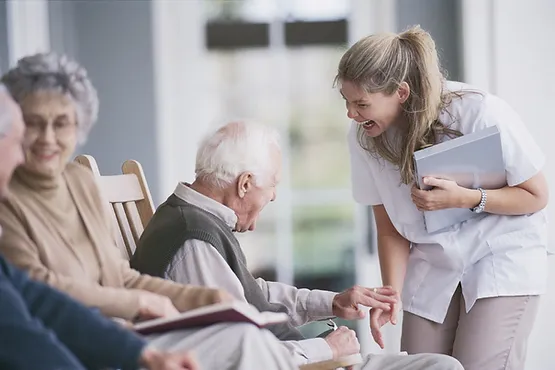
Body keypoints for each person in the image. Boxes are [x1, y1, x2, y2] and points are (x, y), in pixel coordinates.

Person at [0, 54, 298, 370]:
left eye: (61, 124)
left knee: (249, 336)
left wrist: (205, 298)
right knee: (246, 341)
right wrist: (137, 303)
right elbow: (37, 288)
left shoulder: (78, 181)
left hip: (127, 335)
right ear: (16, 128)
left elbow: (119, 275)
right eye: (34, 124)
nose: (48, 138)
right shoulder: (7, 198)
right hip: (82, 343)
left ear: (78, 127)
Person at [131, 121, 464, 370]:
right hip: (304, 364)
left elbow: (252, 296)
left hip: (303, 358)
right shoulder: (194, 239)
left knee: (444, 366)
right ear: (245, 184)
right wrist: (326, 349)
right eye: (272, 185)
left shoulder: (196, 220)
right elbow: (244, 350)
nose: (274, 195)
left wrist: (332, 302)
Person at [336, 25, 549, 370]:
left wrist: (466, 198)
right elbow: (389, 229)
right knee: (421, 365)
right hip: (433, 262)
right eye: (346, 102)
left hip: (500, 255)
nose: (351, 114)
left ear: (401, 92)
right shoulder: (364, 136)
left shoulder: (477, 111)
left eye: (361, 103)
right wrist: (390, 294)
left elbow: (535, 195)